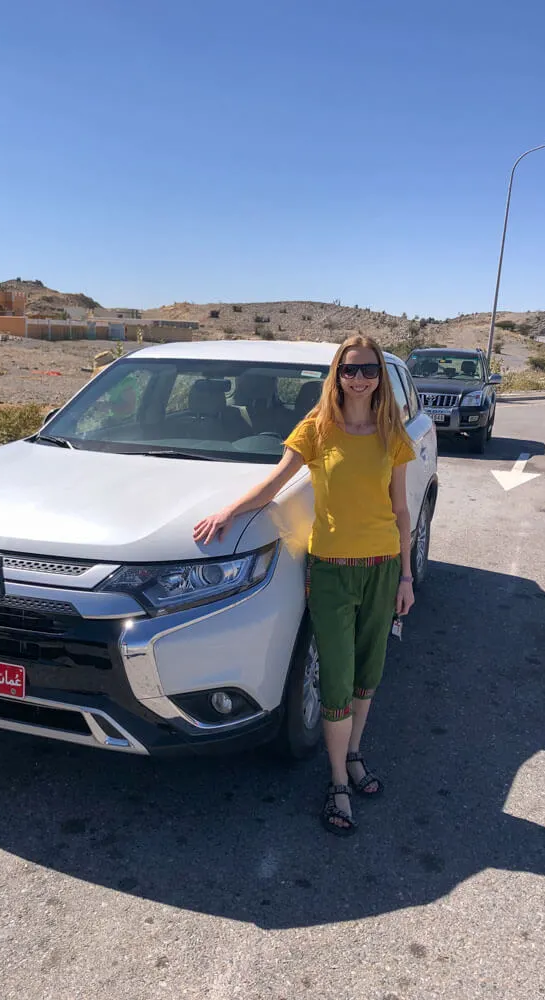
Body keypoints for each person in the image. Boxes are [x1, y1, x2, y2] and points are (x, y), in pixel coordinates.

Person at [193, 335, 415, 836]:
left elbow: (400, 509)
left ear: (380, 376)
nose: (360, 379)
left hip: (382, 567)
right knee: (335, 676)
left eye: (369, 370)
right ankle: (337, 781)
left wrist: (405, 575)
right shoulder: (316, 429)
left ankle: (354, 754)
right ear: (336, 375)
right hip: (332, 568)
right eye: (351, 369)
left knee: (368, 673)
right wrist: (229, 512)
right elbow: (274, 484)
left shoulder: (390, 432)